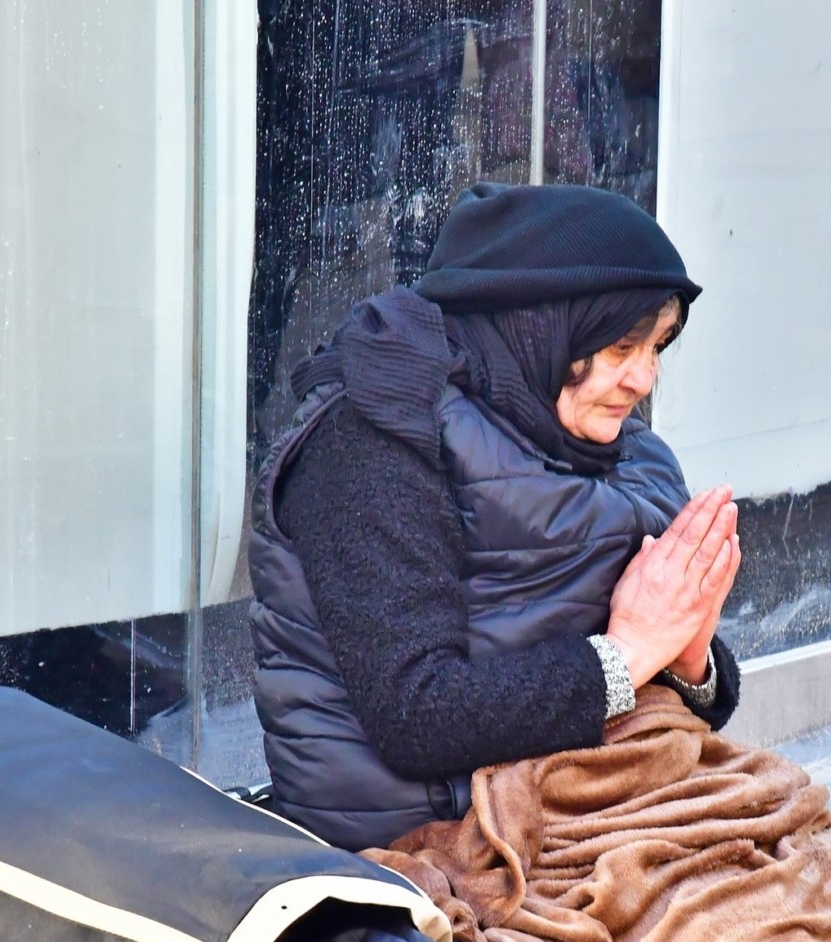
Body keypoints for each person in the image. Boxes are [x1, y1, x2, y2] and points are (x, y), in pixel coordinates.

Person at [251, 182, 742, 850]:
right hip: (429, 831)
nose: (643, 378)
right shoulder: (373, 438)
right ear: (542, 329)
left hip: (577, 795)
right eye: (622, 347)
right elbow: (416, 711)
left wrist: (689, 660)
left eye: (656, 347)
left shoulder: (611, 441)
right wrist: (628, 657)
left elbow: (637, 646)